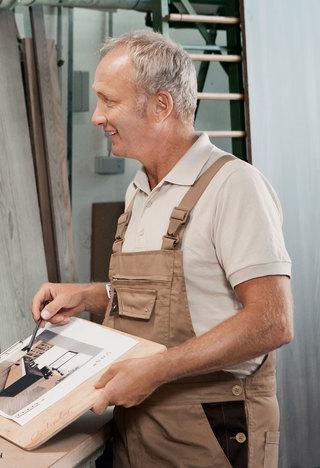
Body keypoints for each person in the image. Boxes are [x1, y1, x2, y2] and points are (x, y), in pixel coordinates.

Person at [30, 31, 293, 467]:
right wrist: (88, 296)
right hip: (136, 428)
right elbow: (184, 292)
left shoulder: (233, 186)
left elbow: (272, 322)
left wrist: (155, 371)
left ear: (161, 105)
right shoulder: (141, 190)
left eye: (108, 101)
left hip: (209, 431)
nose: (97, 117)